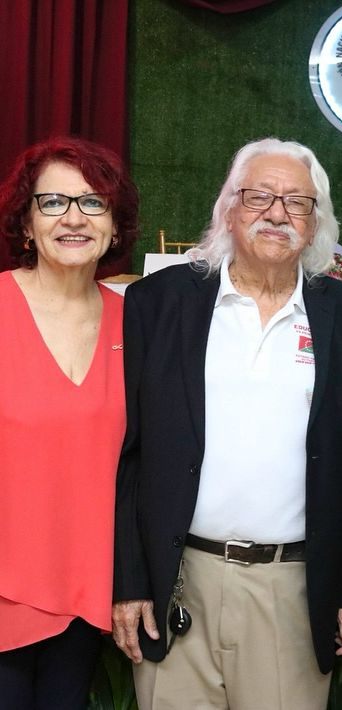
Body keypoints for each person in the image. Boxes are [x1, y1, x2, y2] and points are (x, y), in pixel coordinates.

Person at [111, 138, 342, 709]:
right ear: (229, 209)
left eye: (297, 202)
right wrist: (131, 582)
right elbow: (130, 453)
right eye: (259, 196)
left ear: (316, 222)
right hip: (177, 582)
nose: (277, 213)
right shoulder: (158, 303)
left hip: (292, 592)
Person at [0, 136, 139, 710]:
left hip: (89, 591)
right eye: (53, 202)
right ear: (26, 224)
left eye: (93, 202)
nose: (74, 218)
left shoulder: (138, 324)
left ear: (115, 225)